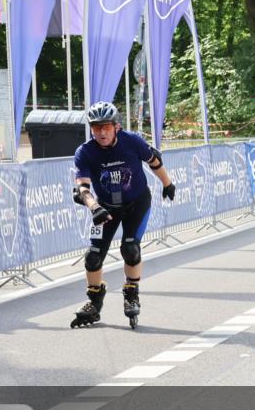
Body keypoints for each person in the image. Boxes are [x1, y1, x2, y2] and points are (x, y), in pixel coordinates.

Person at [71, 102, 176, 328]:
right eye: (96, 127)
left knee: (130, 248)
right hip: (106, 208)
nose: (101, 132)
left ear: (116, 126)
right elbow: (82, 188)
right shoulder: (85, 152)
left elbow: (154, 161)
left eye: (106, 127)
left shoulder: (132, 141)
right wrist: (94, 207)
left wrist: (167, 184)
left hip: (136, 203)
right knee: (93, 256)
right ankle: (94, 301)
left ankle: (131, 292)